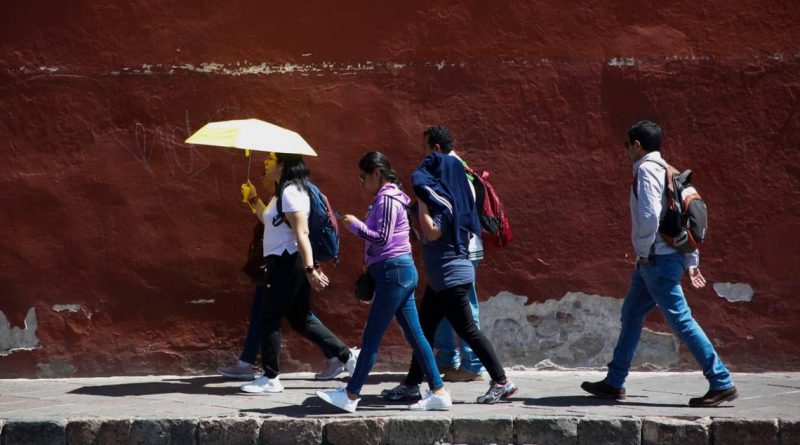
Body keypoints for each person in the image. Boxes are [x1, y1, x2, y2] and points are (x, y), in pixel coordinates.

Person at [581, 120, 738, 407]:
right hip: (663, 259)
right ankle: (614, 381)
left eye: (627, 146)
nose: (627, 151)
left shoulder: (645, 170)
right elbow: (684, 214)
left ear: (637, 145)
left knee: (681, 321)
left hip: (655, 260)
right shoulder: (669, 170)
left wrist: (642, 251)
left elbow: (652, 216)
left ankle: (721, 381)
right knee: (631, 313)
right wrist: (691, 259)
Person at [381, 148, 518, 405]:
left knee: (467, 330)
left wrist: (421, 201)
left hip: (451, 277)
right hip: (442, 278)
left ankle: (502, 381)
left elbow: (432, 232)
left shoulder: (446, 203)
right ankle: (412, 384)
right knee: (424, 330)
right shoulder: (446, 198)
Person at [316, 152, 451, 412]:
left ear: (377, 173)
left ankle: (351, 394)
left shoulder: (387, 199)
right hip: (398, 273)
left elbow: (381, 238)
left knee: (372, 336)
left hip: (393, 273)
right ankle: (439, 392)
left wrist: (355, 225)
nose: (361, 183)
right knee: (416, 336)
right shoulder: (389, 198)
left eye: (363, 177)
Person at [236, 151, 358, 394]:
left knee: (269, 317)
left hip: (286, 261)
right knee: (301, 318)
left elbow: (301, 233)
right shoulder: (283, 191)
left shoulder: (291, 192)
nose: (266, 162)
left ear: (282, 164)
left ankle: (271, 377)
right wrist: (253, 200)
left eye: (271, 159)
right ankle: (347, 356)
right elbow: (271, 223)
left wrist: (311, 268)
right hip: (286, 260)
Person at [423, 126, 487, 382]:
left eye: (426, 149)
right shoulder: (459, 169)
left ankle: (473, 365)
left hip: (458, 252)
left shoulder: (453, 172)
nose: (424, 155)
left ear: (436, 149)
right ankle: (448, 359)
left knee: (465, 308)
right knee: (448, 305)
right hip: (457, 252)